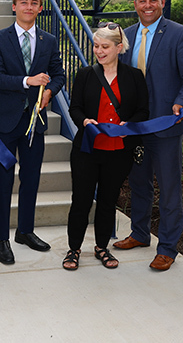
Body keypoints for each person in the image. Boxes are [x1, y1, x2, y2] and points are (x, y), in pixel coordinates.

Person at [113, 0, 183, 271]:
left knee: (169, 188)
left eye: (153, 0)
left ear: (162, 1)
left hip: (166, 124)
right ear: (135, 4)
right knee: (139, 184)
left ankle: (167, 247)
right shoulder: (124, 37)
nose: (147, 6)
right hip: (135, 127)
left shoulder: (179, 34)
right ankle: (140, 234)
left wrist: (182, 101)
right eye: (142, 1)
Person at [0, 0, 65, 264]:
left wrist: (49, 91)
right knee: (3, 181)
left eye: (34, 3)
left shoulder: (49, 40)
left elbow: (58, 74)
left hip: (36, 121)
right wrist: (27, 82)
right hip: (5, 121)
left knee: (31, 179)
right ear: (14, 6)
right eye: (24, 2)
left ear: (40, 8)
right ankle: (1, 238)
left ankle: (25, 231)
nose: (29, 7)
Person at [63, 23, 148, 271]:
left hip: (119, 151)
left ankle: (102, 247)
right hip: (87, 150)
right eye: (96, 46)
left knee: (109, 201)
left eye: (105, 47)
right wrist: (84, 121)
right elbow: (74, 108)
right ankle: (74, 249)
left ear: (119, 48)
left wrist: (128, 124)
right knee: (81, 200)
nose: (99, 51)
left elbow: (144, 111)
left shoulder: (134, 77)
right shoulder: (85, 74)